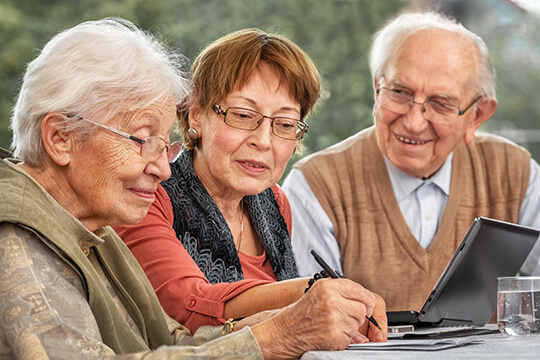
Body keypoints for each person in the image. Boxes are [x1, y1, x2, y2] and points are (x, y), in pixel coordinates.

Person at [0, 18, 382, 359]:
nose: (164, 168)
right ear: (60, 138)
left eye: (165, 145)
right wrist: (278, 334)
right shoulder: (16, 241)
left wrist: (282, 325)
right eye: (140, 138)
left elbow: (170, 342)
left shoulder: (91, 231)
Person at [114, 28, 387, 341]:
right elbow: (187, 306)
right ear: (196, 115)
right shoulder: (149, 195)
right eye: (243, 116)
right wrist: (311, 291)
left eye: (284, 124)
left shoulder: (275, 202)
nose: (263, 141)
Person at [282, 11, 540, 312]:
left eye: (441, 104)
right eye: (400, 92)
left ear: (477, 116)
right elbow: (312, 323)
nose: (414, 123)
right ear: (377, 87)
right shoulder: (314, 186)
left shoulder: (515, 172)